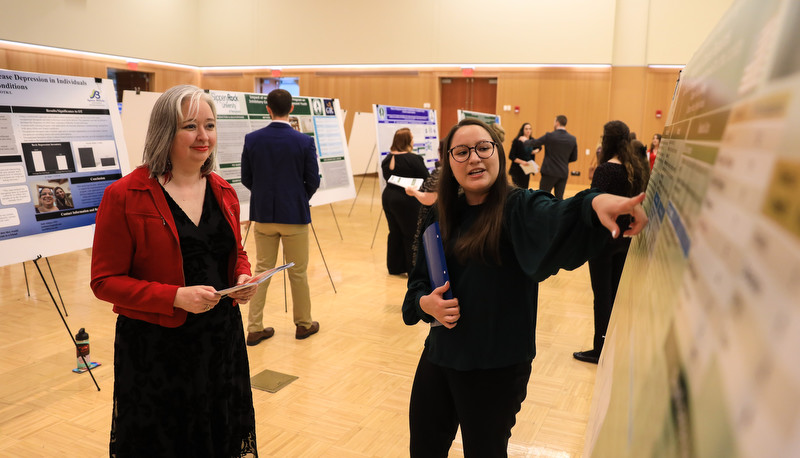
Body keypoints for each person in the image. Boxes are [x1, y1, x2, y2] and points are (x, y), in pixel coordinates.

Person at [402, 118, 647, 457]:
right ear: (449, 163)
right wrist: (425, 304)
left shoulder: (517, 207)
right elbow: (417, 282)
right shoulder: (440, 215)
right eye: (462, 152)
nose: (474, 158)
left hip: (495, 367)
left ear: (498, 153)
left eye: (483, 148)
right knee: (424, 447)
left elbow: (559, 212)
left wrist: (593, 203)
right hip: (440, 354)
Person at [90, 85, 259, 457]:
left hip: (220, 343)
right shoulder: (125, 195)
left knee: (218, 437)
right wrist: (174, 297)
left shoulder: (223, 191)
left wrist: (242, 279)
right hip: (157, 350)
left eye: (210, 125)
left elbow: (234, 253)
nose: (204, 137)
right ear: (166, 131)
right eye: (190, 127)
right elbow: (104, 281)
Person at [241, 88, 321, 345]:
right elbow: (313, 180)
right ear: (292, 109)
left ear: (268, 109)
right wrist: (298, 197)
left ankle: (254, 328)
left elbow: (247, 178)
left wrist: (264, 195)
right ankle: (303, 324)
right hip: (295, 216)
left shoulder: (252, 139)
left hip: (263, 215)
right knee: (298, 272)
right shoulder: (304, 142)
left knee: (262, 271)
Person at [574, 120, 650, 364]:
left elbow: (594, 205)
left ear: (607, 140)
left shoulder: (606, 169)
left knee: (602, 296)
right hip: (625, 239)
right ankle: (614, 343)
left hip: (603, 240)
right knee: (615, 294)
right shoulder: (635, 168)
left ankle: (600, 348)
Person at [381, 127, 429, 275]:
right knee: (411, 233)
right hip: (406, 199)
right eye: (412, 138)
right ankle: (412, 269)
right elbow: (426, 178)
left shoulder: (387, 159)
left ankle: (394, 267)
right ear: (407, 141)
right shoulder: (414, 159)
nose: (414, 141)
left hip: (388, 197)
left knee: (394, 231)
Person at [523, 115, 578, 200]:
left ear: (557, 123)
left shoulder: (550, 136)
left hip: (549, 172)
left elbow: (535, 142)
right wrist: (563, 161)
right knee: (559, 198)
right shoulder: (572, 139)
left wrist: (525, 141)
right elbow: (574, 158)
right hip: (563, 173)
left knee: (542, 197)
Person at [508, 122, 537, 189]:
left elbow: (540, 147)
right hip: (517, 169)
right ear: (523, 130)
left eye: (530, 129)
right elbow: (511, 156)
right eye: (526, 129)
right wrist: (522, 162)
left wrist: (535, 151)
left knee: (525, 189)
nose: (528, 130)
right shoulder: (517, 141)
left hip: (527, 169)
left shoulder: (532, 140)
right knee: (516, 189)